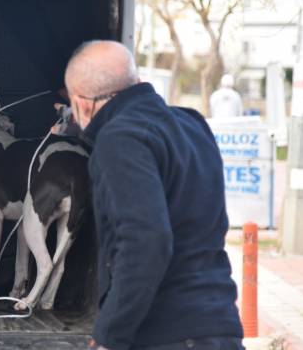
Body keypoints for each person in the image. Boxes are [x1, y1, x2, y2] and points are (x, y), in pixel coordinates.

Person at [64, 40, 244, 350]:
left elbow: (145, 241)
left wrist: (109, 336)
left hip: (166, 333)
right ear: (139, 83)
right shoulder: (192, 124)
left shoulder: (119, 138)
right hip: (220, 324)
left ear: (82, 104)